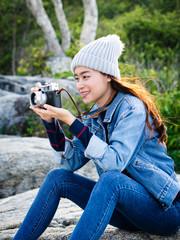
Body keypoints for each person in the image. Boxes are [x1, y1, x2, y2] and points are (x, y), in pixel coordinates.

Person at [13, 35, 180, 240]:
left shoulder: (132, 108)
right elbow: (69, 162)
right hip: (127, 213)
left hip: (162, 211)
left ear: (107, 75)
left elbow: (114, 163)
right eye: (76, 78)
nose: (80, 84)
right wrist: (50, 121)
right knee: (57, 178)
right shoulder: (95, 113)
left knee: (111, 179)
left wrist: (72, 121)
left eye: (86, 76)